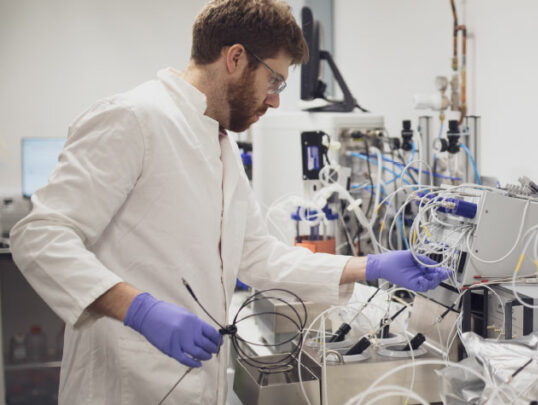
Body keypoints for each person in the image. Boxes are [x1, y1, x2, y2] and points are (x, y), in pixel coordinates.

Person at [9, 0, 448, 403]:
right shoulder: (134, 118)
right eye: (274, 80)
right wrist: (139, 309)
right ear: (235, 58)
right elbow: (40, 235)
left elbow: (255, 255)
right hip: (124, 386)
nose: (275, 100)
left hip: (195, 383)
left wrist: (367, 267)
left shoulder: (220, 142)